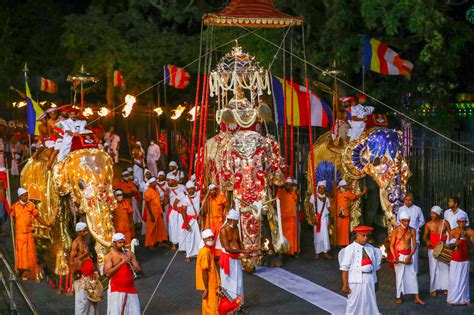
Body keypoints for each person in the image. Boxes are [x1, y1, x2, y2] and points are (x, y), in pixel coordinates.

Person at [339, 225, 382, 315]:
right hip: (355, 281)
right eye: (363, 235)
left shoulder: (371, 248)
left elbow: (375, 268)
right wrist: (345, 285)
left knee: (369, 303)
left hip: (369, 279)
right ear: (357, 235)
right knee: (353, 304)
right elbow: (344, 269)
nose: (365, 238)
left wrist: (376, 281)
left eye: (367, 236)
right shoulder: (350, 249)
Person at [11, 188, 46, 280]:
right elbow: (13, 220)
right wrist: (16, 229)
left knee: (30, 253)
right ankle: (23, 271)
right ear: (20, 196)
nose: (27, 197)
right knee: (21, 253)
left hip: (29, 233)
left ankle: (30, 271)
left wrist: (46, 224)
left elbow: (37, 217)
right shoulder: (14, 207)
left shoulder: (31, 206)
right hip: (19, 234)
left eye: (27, 195)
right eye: (25, 195)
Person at [390, 210, 425, 305]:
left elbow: (414, 246)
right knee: (399, 277)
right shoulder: (396, 230)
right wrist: (394, 257)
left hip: (408, 256)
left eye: (408, 221)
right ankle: (399, 296)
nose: (407, 223)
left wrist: (410, 256)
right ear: (401, 221)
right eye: (405, 221)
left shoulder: (412, 230)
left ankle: (416, 297)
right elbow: (391, 245)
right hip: (399, 256)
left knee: (413, 276)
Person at [217, 209, 248, 307]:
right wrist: (243, 252)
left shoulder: (236, 228)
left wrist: (244, 251)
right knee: (229, 283)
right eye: (237, 220)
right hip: (228, 260)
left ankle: (238, 305)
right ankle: (229, 306)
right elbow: (227, 248)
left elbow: (239, 241)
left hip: (237, 259)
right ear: (230, 219)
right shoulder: (223, 230)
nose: (238, 222)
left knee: (238, 282)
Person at [104, 233, 141, 314]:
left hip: (130, 287)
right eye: (120, 243)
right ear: (114, 243)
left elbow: (138, 268)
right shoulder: (109, 256)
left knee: (135, 312)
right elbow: (107, 273)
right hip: (116, 289)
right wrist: (122, 262)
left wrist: (135, 269)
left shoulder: (129, 253)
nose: (122, 244)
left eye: (123, 242)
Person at [446, 212, 474, 306]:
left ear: (466, 222)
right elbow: (449, 246)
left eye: (464, 222)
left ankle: (465, 300)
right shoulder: (453, 231)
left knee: (464, 279)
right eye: (460, 222)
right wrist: (455, 243)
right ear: (457, 222)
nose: (462, 224)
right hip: (455, 259)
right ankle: (451, 300)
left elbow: (472, 245)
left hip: (465, 259)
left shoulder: (470, 232)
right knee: (453, 279)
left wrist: (467, 237)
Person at [422, 205, 450, 296]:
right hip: (432, 249)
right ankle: (433, 288)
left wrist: (449, 245)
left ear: (438, 214)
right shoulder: (428, 224)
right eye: (431, 213)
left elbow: (451, 234)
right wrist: (427, 241)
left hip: (443, 248)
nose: (431, 215)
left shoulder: (445, 223)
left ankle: (446, 288)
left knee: (444, 268)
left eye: (433, 213)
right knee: (433, 268)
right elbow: (425, 237)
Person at [396, 193, 425, 273]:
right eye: (406, 200)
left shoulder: (417, 209)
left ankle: (415, 272)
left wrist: (416, 227)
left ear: (412, 201)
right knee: (404, 252)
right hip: (404, 234)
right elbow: (398, 221)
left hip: (414, 234)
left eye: (409, 200)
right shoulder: (401, 209)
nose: (408, 202)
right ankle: (405, 271)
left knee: (414, 253)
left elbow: (422, 221)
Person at [334, 180, 366, 247]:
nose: (346, 186)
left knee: (345, 229)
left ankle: (344, 244)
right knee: (339, 229)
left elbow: (355, 197)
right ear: (342, 186)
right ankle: (337, 243)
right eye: (345, 185)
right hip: (338, 214)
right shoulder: (337, 192)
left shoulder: (347, 192)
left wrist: (362, 193)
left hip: (345, 214)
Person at [196, 229, 220, 315]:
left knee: (208, 304)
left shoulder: (206, 250)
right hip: (210, 283)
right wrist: (206, 289)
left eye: (212, 238)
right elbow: (204, 271)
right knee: (212, 305)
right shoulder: (205, 252)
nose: (211, 240)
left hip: (211, 282)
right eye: (208, 238)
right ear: (204, 240)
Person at [178, 181, 202, 262]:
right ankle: (188, 255)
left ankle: (198, 253)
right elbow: (183, 212)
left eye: (192, 189)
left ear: (194, 188)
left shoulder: (198, 194)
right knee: (189, 238)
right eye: (188, 189)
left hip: (198, 220)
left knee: (198, 237)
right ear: (187, 190)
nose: (190, 191)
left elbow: (205, 189)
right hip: (190, 220)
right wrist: (186, 223)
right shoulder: (185, 199)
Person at [309, 181, 331, 259]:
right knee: (317, 236)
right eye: (320, 187)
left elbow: (329, 210)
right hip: (317, 218)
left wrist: (330, 222)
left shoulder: (327, 198)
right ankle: (317, 253)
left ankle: (325, 252)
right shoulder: (313, 197)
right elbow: (311, 208)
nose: (321, 189)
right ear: (317, 188)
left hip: (325, 219)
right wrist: (313, 218)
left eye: (323, 188)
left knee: (325, 236)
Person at [276, 178, 298, 256]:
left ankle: (292, 251)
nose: (289, 186)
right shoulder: (281, 192)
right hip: (283, 217)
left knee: (292, 235)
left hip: (291, 217)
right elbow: (277, 199)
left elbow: (296, 200)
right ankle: (284, 251)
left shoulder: (293, 192)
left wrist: (291, 191)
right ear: (285, 185)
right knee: (284, 235)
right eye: (287, 185)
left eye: (290, 185)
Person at [144, 177, 168, 248]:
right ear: (150, 183)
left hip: (158, 212)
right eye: (154, 182)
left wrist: (161, 211)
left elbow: (158, 202)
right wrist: (151, 215)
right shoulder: (148, 191)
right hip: (152, 213)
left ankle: (160, 241)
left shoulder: (156, 190)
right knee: (151, 229)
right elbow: (147, 204)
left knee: (160, 228)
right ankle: (150, 244)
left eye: (155, 182)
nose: (155, 183)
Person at [166, 173, 186, 251]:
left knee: (181, 227)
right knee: (173, 227)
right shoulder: (168, 189)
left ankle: (182, 244)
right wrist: (166, 195)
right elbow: (166, 201)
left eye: (169, 181)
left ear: (174, 181)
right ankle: (174, 243)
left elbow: (186, 196)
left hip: (181, 210)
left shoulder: (182, 187)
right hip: (173, 211)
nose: (167, 182)